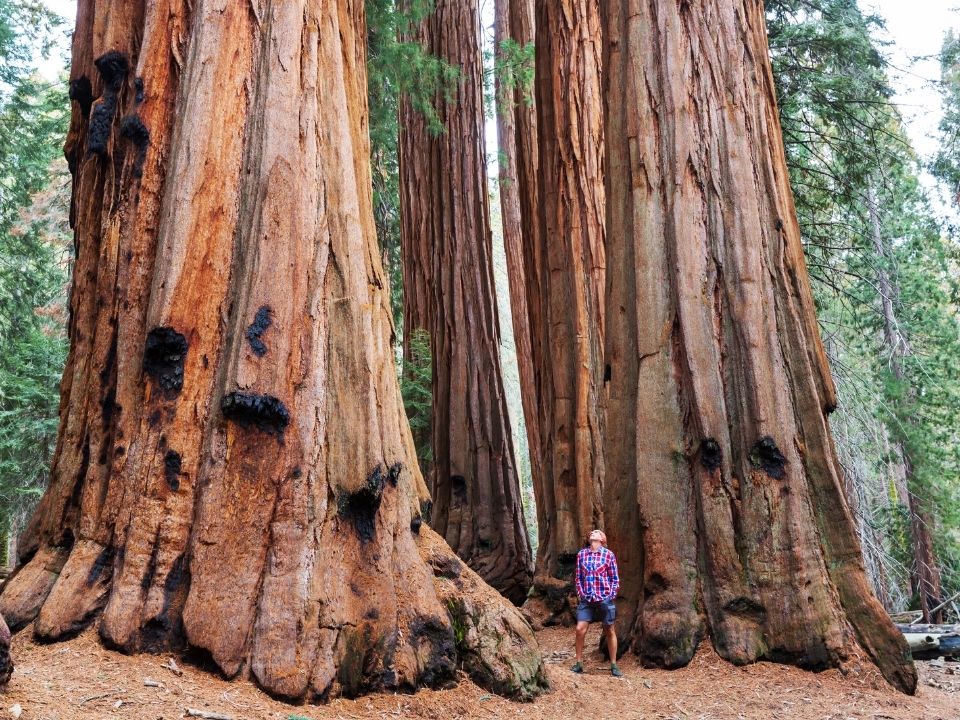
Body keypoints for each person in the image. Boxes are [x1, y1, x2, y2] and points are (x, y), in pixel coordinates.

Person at [571, 529, 622, 677]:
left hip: (604, 599)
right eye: (592, 533)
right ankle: (579, 663)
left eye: (597, 532)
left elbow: (615, 579)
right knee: (580, 629)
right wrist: (581, 593)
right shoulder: (582, 554)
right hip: (587, 600)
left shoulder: (608, 555)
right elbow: (578, 577)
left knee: (609, 630)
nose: (593, 533)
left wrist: (610, 595)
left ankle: (614, 665)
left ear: (602, 539)